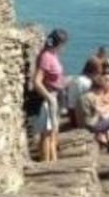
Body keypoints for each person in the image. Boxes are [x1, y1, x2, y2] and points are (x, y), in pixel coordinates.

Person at [30, 28, 68, 162]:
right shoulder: (46, 57)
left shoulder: (53, 54)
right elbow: (36, 81)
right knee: (47, 134)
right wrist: (49, 98)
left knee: (53, 133)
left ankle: (53, 160)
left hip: (56, 95)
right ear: (60, 43)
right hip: (48, 97)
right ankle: (47, 162)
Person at [81, 74, 109, 152]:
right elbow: (101, 114)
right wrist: (107, 112)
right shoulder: (94, 97)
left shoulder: (84, 96)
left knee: (106, 121)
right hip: (91, 125)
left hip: (83, 123)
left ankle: (107, 141)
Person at [66, 58, 103, 128]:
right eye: (99, 72)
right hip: (80, 118)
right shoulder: (86, 83)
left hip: (72, 114)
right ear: (94, 71)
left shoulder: (76, 79)